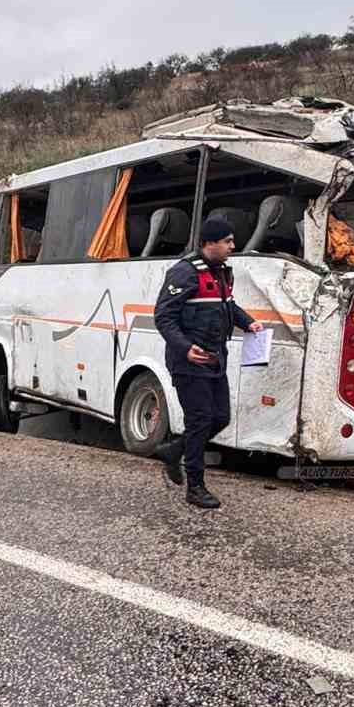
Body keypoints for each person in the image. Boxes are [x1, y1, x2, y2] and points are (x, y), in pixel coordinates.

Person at [153, 216, 262, 510]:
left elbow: (227, 305)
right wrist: (186, 348)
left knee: (220, 417)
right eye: (227, 241)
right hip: (188, 362)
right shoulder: (184, 273)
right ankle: (195, 487)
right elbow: (163, 317)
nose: (232, 246)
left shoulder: (223, 273)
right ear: (209, 243)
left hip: (215, 359)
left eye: (232, 241)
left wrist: (248, 323)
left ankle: (174, 449)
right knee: (200, 420)